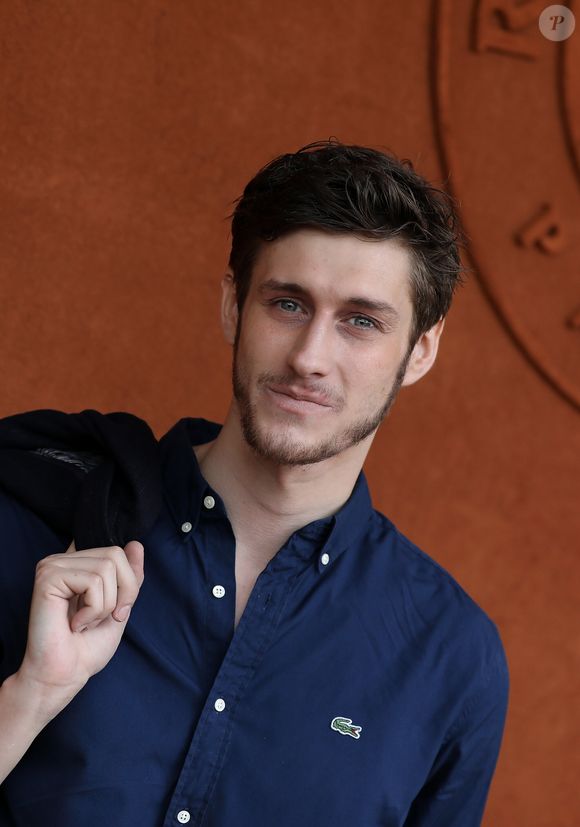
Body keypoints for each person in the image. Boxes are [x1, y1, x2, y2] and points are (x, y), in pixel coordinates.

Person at [0, 139, 509, 826]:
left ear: (420, 349)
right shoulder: (35, 524)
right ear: (234, 306)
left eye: (360, 321)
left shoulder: (450, 656)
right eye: (288, 304)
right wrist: (29, 695)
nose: (310, 358)